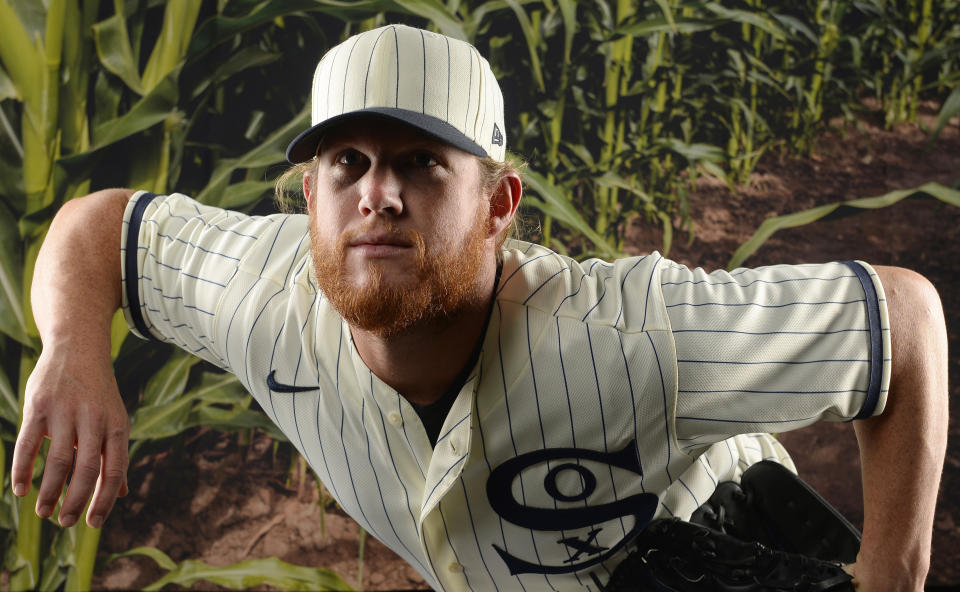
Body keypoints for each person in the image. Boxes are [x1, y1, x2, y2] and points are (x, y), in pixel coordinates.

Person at [12, 24, 947, 592]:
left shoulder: (632, 338)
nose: (377, 193)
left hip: (719, 537)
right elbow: (99, 230)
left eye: (421, 161)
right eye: (347, 163)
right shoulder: (263, 294)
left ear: (500, 207)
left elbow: (903, 320)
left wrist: (892, 572)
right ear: (308, 199)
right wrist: (71, 351)